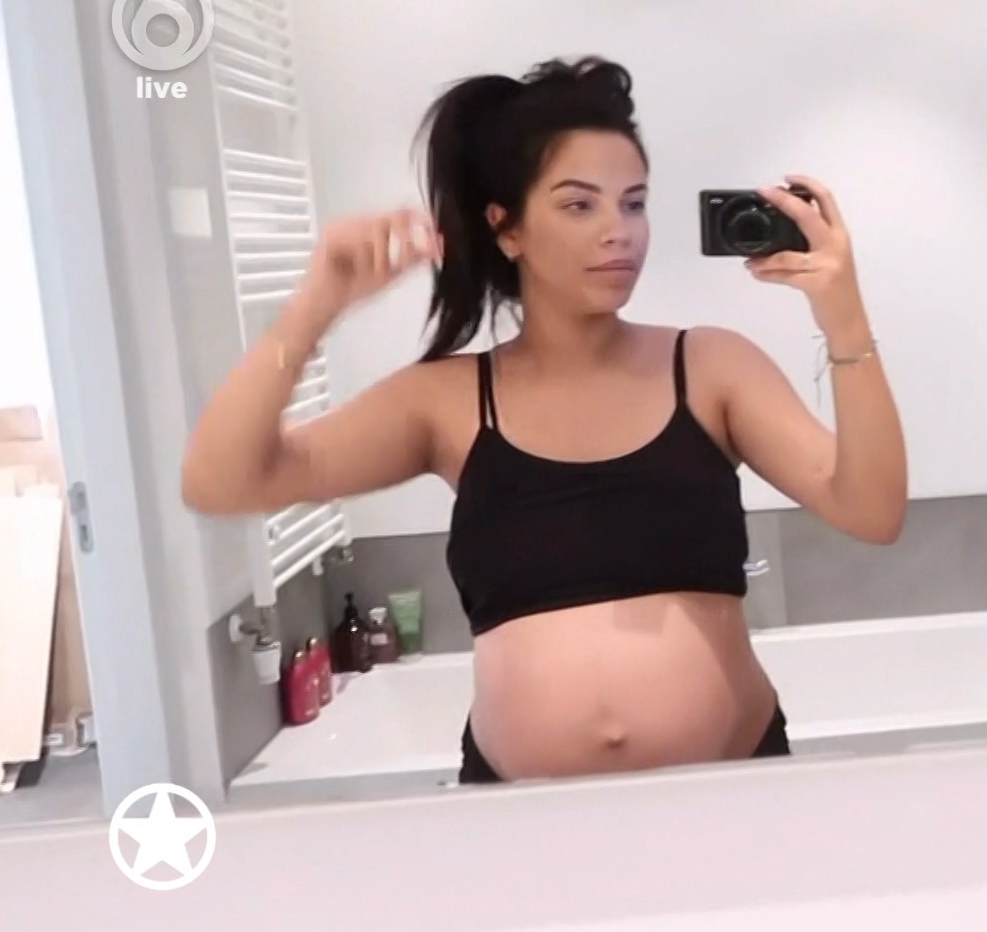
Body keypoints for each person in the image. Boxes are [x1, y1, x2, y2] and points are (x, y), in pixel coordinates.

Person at [181, 56, 907, 784]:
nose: (619, 232)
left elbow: (872, 510)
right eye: (579, 205)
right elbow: (222, 481)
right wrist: (316, 306)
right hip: (521, 822)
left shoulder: (713, 367)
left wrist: (843, 314)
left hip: (731, 797)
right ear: (508, 230)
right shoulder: (447, 400)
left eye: (633, 203)